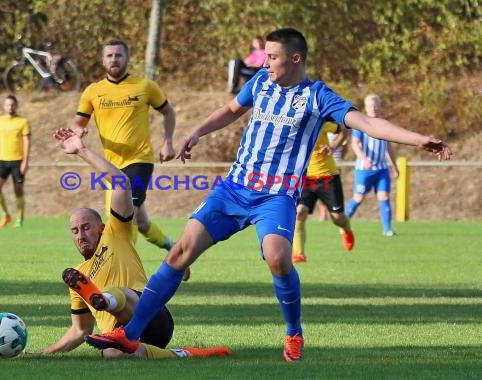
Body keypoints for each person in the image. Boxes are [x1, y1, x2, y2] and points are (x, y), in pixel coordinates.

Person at [85, 27, 452, 362]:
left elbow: (368, 123)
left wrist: (419, 139)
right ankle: (130, 334)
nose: (265, 62)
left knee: (278, 258)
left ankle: (294, 333)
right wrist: (197, 132)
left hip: (276, 196)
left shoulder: (318, 96)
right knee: (180, 251)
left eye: (272, 57)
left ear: (295, 59)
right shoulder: (261, 82)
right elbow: (231, 109)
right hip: (234, 187)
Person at [24, 128, 231, 360]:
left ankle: (105, 299)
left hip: (150, 316)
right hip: (121, 336)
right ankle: (183, 354)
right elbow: (79, 331)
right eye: (75, 231)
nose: (81, 235)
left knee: (116, 294)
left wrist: (82, 150)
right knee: (112, 354)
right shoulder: (77, 275)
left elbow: (121, 182)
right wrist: (43, 353)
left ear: (101, 228)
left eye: (86, 227)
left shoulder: (115, 233)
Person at [70, 39, 176, 253]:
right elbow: (78, 123)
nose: (114, 59)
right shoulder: (93, 91)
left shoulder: (144, 86)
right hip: (111, 167)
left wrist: (168, 142)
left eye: (118, 55)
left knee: (128, 216)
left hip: (140, 161)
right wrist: (78, 131)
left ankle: (121, 267)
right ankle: (172, 248)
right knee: (142, 223)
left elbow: (168, 111)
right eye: (109, 55)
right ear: (102, 60)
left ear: (127, 58)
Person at [292, 123, 354, 263]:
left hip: (328, 176)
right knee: (299, 213)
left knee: (337, 217)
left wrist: (332, 147)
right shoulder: (291, 124)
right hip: (305, 178)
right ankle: (299, 254)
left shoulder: (321, 122)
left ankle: (346, 228)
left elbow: (345, 130)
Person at [345, 94, 399, 236]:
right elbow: (355, 144)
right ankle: (343, 223)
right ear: (366, 107)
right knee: (358, 197)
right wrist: (364, 159)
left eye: (375, 105)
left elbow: (389, 147)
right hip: (364, 169)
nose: (373, 108)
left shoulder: (384, 124)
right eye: (370, 105)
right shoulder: (361, 124)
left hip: (381, 169)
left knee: (384, 197)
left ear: (379, 106)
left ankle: (387, 230)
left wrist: (395, 166)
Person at [0, 95, 31, 229]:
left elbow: (27, 142)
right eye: (7, 105)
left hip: (17, 161)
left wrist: (25, 161)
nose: (10, 107)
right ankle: (5, 214)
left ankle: (19, 218)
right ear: (4, 106)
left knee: (18, 190)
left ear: (16, 106)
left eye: (12, 105)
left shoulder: (22, 122)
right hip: (3, 160)